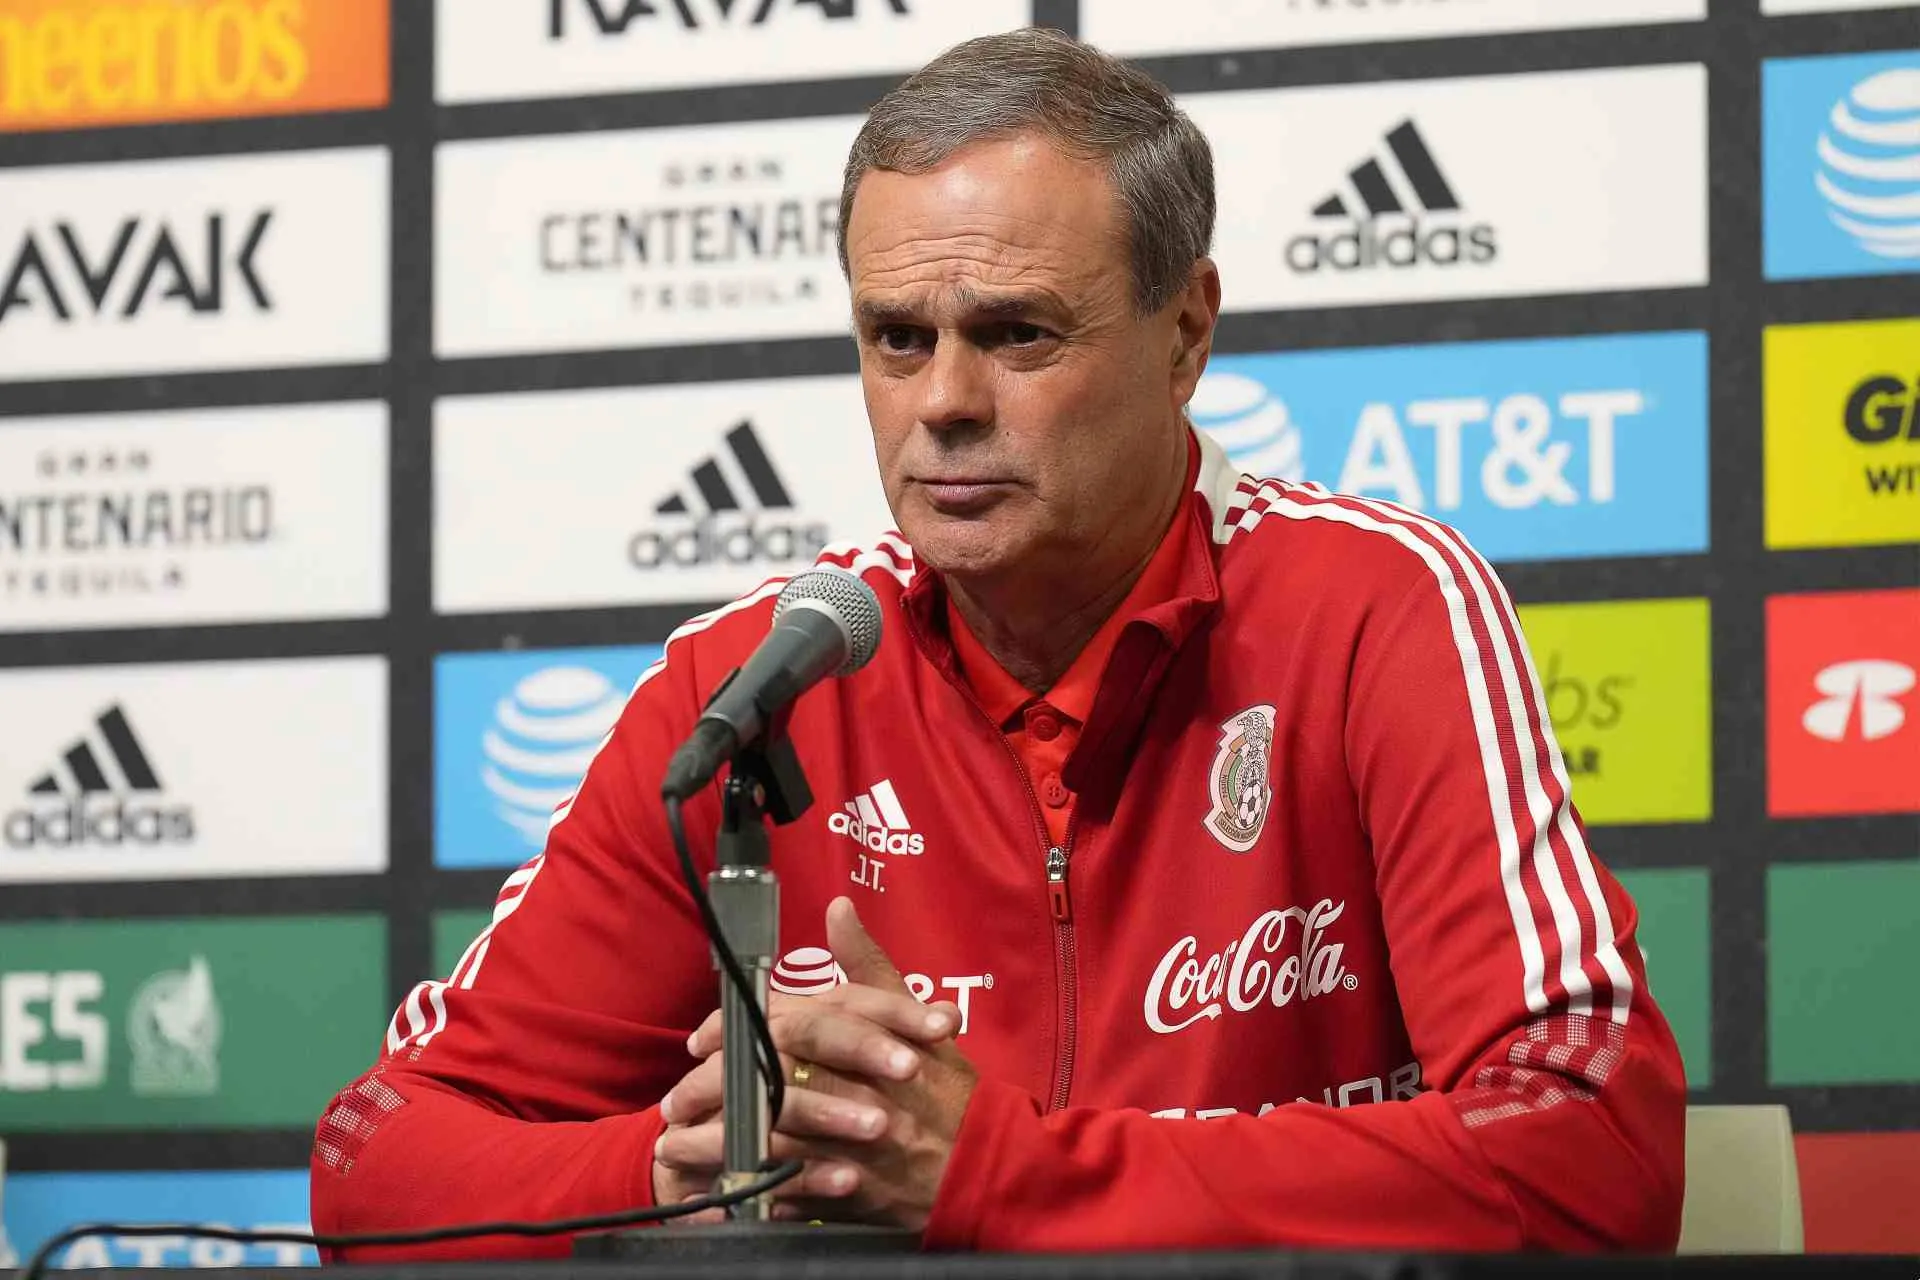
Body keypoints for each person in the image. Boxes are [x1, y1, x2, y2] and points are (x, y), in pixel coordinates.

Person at [311, 28, 1685, 1259]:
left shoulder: (1375, 608)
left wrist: (1001, 1172)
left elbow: (1590, 1152)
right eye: (896, 339)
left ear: (1186, 333)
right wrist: (720, 1160)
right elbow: (376, 1162)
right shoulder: (757, 682)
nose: (944, 403)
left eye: (1017, 335)